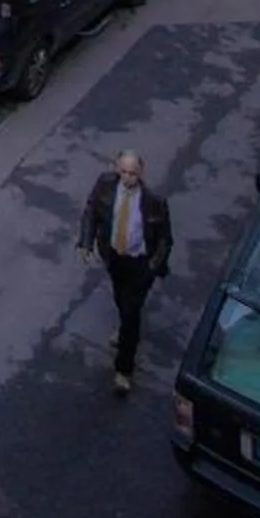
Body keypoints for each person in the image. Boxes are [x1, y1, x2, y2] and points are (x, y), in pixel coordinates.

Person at [78, 148, 173, 392]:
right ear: (116, 169)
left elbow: (164, 239)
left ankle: (123, 369)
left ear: (141, 173)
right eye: (123, 172)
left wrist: (152, 267)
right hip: (115, 258)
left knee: (132, 313)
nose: (128, 178)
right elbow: (92, 212)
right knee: (122, 300)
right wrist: (86, 242)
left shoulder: (153, 202)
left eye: (133, 173)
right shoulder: (106, 185)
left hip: (141, 263)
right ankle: (123, 328)